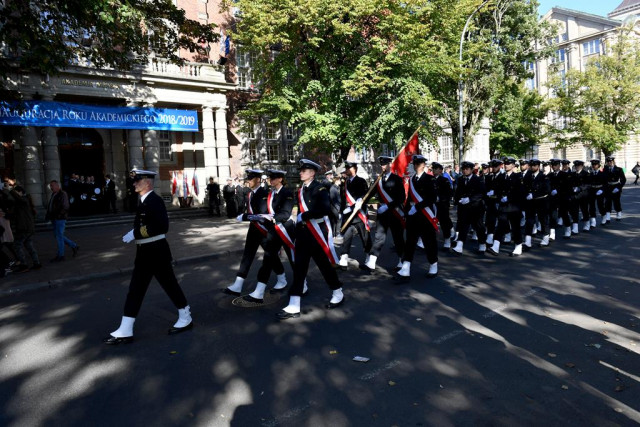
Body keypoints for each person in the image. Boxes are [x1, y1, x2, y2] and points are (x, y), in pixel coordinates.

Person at [104, 170, 192, 345]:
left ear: (148, 182)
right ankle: (126, 328)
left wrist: (135, 233)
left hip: (157, 252)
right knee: (135, 290)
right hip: (145, 252)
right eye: (134, 181)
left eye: (138, 180)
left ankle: (185, 315)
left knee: (170, 285)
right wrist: (136, 233)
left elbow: (162, 226)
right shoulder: (144, 201)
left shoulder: (155, 200)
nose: (134, 183)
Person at [277, 159, 343, 320]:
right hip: (303, 233)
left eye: (304, 170)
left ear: (312, 173)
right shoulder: (300, 190)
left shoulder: (319, 188)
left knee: (324, 266)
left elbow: (324, 209)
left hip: (317, 233)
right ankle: (294, 304)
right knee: (299, 268)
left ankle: (337, 291)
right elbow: (299, 211)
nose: (300, 172)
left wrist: (305, 215)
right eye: (301, 170)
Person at [243, 169, 298, 303]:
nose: (270, 180)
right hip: (274, 230)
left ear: (280, 179)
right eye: (270, 178)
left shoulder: (287, 193)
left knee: (293, 259)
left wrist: (271, 218)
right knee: (268, 258)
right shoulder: (271, 193)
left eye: (273, 178)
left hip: (286, 229)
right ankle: (259, 292)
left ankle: (302, 283)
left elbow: (285, 213)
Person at [223, 169, 272, 296]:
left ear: (257, 180)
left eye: (250, 179)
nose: (248, 181)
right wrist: (247, 216)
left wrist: (245, 217)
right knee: (247, 256)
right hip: (253, 229)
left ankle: (282, 277)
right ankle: (238, 285)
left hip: (264, 230)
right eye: (247, 179)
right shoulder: (250, 194)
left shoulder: (265, 193)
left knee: (271, 256)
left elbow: (262, 214)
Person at [396, 155, 439, 281]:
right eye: (415, 163)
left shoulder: (430, 179)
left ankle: (433, 264)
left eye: (419, 163)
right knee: (410, 242)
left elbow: (432, 198)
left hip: (425, 216)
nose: (417, 165)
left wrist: (418, 207)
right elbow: (409, 197)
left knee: (429, 242)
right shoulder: (412, 179)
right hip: (413, 216)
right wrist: (406, 211)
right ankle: (405, 268)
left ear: (424, 165)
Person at [366, 156, 406, 272]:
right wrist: (362, 201)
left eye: (385, 164)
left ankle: (402, 261)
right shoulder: (378, 180)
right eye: (382, 165)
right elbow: (371, 195)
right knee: (379, 237)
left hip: (394, 213)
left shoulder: (397, 179)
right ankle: (371, 262)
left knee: (398, 238)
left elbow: (401, 197)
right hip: (382, 214)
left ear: (390, 165)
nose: (383, 166)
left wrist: (388, 206)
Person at [338, 161, 372, 269]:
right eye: (346, 168)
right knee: (347, 236)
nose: (347, 170)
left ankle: (369, 256)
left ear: (354, 169)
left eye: (349, 168)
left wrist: (354, 206)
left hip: (359, 215)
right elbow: (342, 198)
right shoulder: (345, 183)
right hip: (348, 216)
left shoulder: (361, 181)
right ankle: (343, 257)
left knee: (365, 237)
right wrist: (341, 211)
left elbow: (365, 196)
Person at [487, 157, 524, 257]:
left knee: (515, 227)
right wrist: (496, 195)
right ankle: (495, 246)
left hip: (514, 206)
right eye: (505, 163)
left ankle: (518, 246)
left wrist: (509, 198)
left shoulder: (518, 177)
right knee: (500, 225)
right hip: (503, 206)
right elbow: (498, 189)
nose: (506, 165)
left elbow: (519, 192)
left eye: (509, 163)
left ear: (513, 165)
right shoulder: (502, 176)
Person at [452, 161, 487, 255]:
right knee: (463, 225)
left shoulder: (478, 179)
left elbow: (481, 193)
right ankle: (459, 246)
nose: (464, 171)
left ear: (472, 170)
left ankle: (482, 244)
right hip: (464, 207)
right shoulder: (460, 179)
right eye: (463, 169)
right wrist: (457, 200)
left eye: (467, 169)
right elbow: (458, 191)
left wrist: (470, 199)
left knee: (478, 226)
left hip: (476, 207)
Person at [45, 180, 79, 262]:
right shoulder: (54, 194)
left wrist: (59, 216)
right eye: (50, 186)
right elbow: (52, 206)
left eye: (52, 186)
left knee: (59, 236)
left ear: (57, 186)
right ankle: (74, 246)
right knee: (58, 236)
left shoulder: (62, 194)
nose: (51, 187)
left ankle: (61, 255)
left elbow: (66, 207)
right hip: (54, 218)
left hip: (60, 219)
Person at [10, 185, 40, 272]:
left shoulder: (24, 200)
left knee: (17, 245)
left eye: (16, 192)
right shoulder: (22, 202)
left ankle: (24, 265)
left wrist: (11, 190)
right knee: (29, 246)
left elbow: (18, 198)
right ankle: (36, 263)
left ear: (20, 192)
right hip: (26, 228)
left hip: (24, 228)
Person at [522, 159, 550, 249]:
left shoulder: (543, 177)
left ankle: (546, 239)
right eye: (531, 165)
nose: (532, 167)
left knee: (543, 220)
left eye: (534, 165)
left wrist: (534, 195)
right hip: (530, 202)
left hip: (541, 201)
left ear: (538, 166)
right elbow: (524, 187)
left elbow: (547, 190)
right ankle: (527, 241)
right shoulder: (528, 176)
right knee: (529, 221)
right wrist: (526, 195)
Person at [432, 162, 453, 250]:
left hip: (442, 205)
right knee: (431, 222)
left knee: (444, 223)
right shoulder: (430, 180)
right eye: (433, 168)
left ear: (440, 170)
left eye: (436, 169)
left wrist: (440, 198)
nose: (433, 170)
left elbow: (449, 193)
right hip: (432, 205)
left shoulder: (444, 180)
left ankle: (447, 240)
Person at [602, 156, 626, 222]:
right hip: (608, 187)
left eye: (611, 161)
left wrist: (619, 187)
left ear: (613, 162)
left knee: (616, 201)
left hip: (616, 186)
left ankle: (619, 213)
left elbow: (623, 180)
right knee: (607, 202)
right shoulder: (605, 170)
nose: (610, 163)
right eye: (608, 162)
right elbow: (604, 180)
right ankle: (608, 216)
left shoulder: (619, 169)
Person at [588, 159, 606, 228]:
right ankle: (593, 221)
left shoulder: (602, 174)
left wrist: (602, 190)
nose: (594, 166)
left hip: (600, 190)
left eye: (595, 164)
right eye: (593, 165)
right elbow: (589, 183)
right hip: (592, 190)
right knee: (591, 206)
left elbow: (605, 184)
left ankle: (604, 216)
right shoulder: (590, 174)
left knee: (600, 205)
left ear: (598, 165)